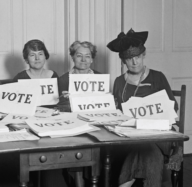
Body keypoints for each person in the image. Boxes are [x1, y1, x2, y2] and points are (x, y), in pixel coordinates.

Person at [107, 29, 178, 187]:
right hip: (130, 137)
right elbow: (116, 111)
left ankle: (126, 181)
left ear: (143, 56)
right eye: (129, 59)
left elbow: (174, 107)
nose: (134, 62)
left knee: (146, 145)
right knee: (145, 148)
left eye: (137, 57)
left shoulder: (157, 77)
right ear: (123, 61)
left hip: (159, 135)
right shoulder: (119, 82)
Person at [57, 41, 101, 112]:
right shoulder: (63, 80)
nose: (83, 60)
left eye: (87, 56)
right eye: (79, 56)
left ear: (92, 59)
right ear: (72, 57)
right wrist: (66, 101)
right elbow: (61, 107)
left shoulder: (100, 77)